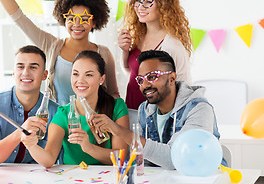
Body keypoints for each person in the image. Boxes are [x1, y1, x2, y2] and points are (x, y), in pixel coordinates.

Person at [90, 50, 226, 169]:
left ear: (172, 78)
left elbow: (176, 159)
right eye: (141, 80)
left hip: (206, 179)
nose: (145, 85)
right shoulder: (145, 110)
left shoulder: (198, 109)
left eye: (152, 77)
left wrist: (118, 130)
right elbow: (145, 160)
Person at [21, 50, 129, 167]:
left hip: (109, 178)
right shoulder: (63, 114)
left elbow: (121, 157)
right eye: (76, 74)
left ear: (101, 79)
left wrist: (89, 148)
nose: (80, 81)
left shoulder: (117, 107)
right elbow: (49, 159)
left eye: (89, 75)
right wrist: (31, 145)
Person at [118, 0, 192, 110]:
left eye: (148, 2)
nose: (140, 7)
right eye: (137, 0)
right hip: (131, 112)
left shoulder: (171, 46)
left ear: (163, 5)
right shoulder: (137, 35)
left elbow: (184, 91)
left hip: (155, 119)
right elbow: (132, 73)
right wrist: (124, 51)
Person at [0, 45, 59, 165]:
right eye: (20, 67)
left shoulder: (56, 111)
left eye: (33, 67)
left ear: (44, 75)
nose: (26, 73)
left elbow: (51, 160)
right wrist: (21, 132)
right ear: (14, 73)